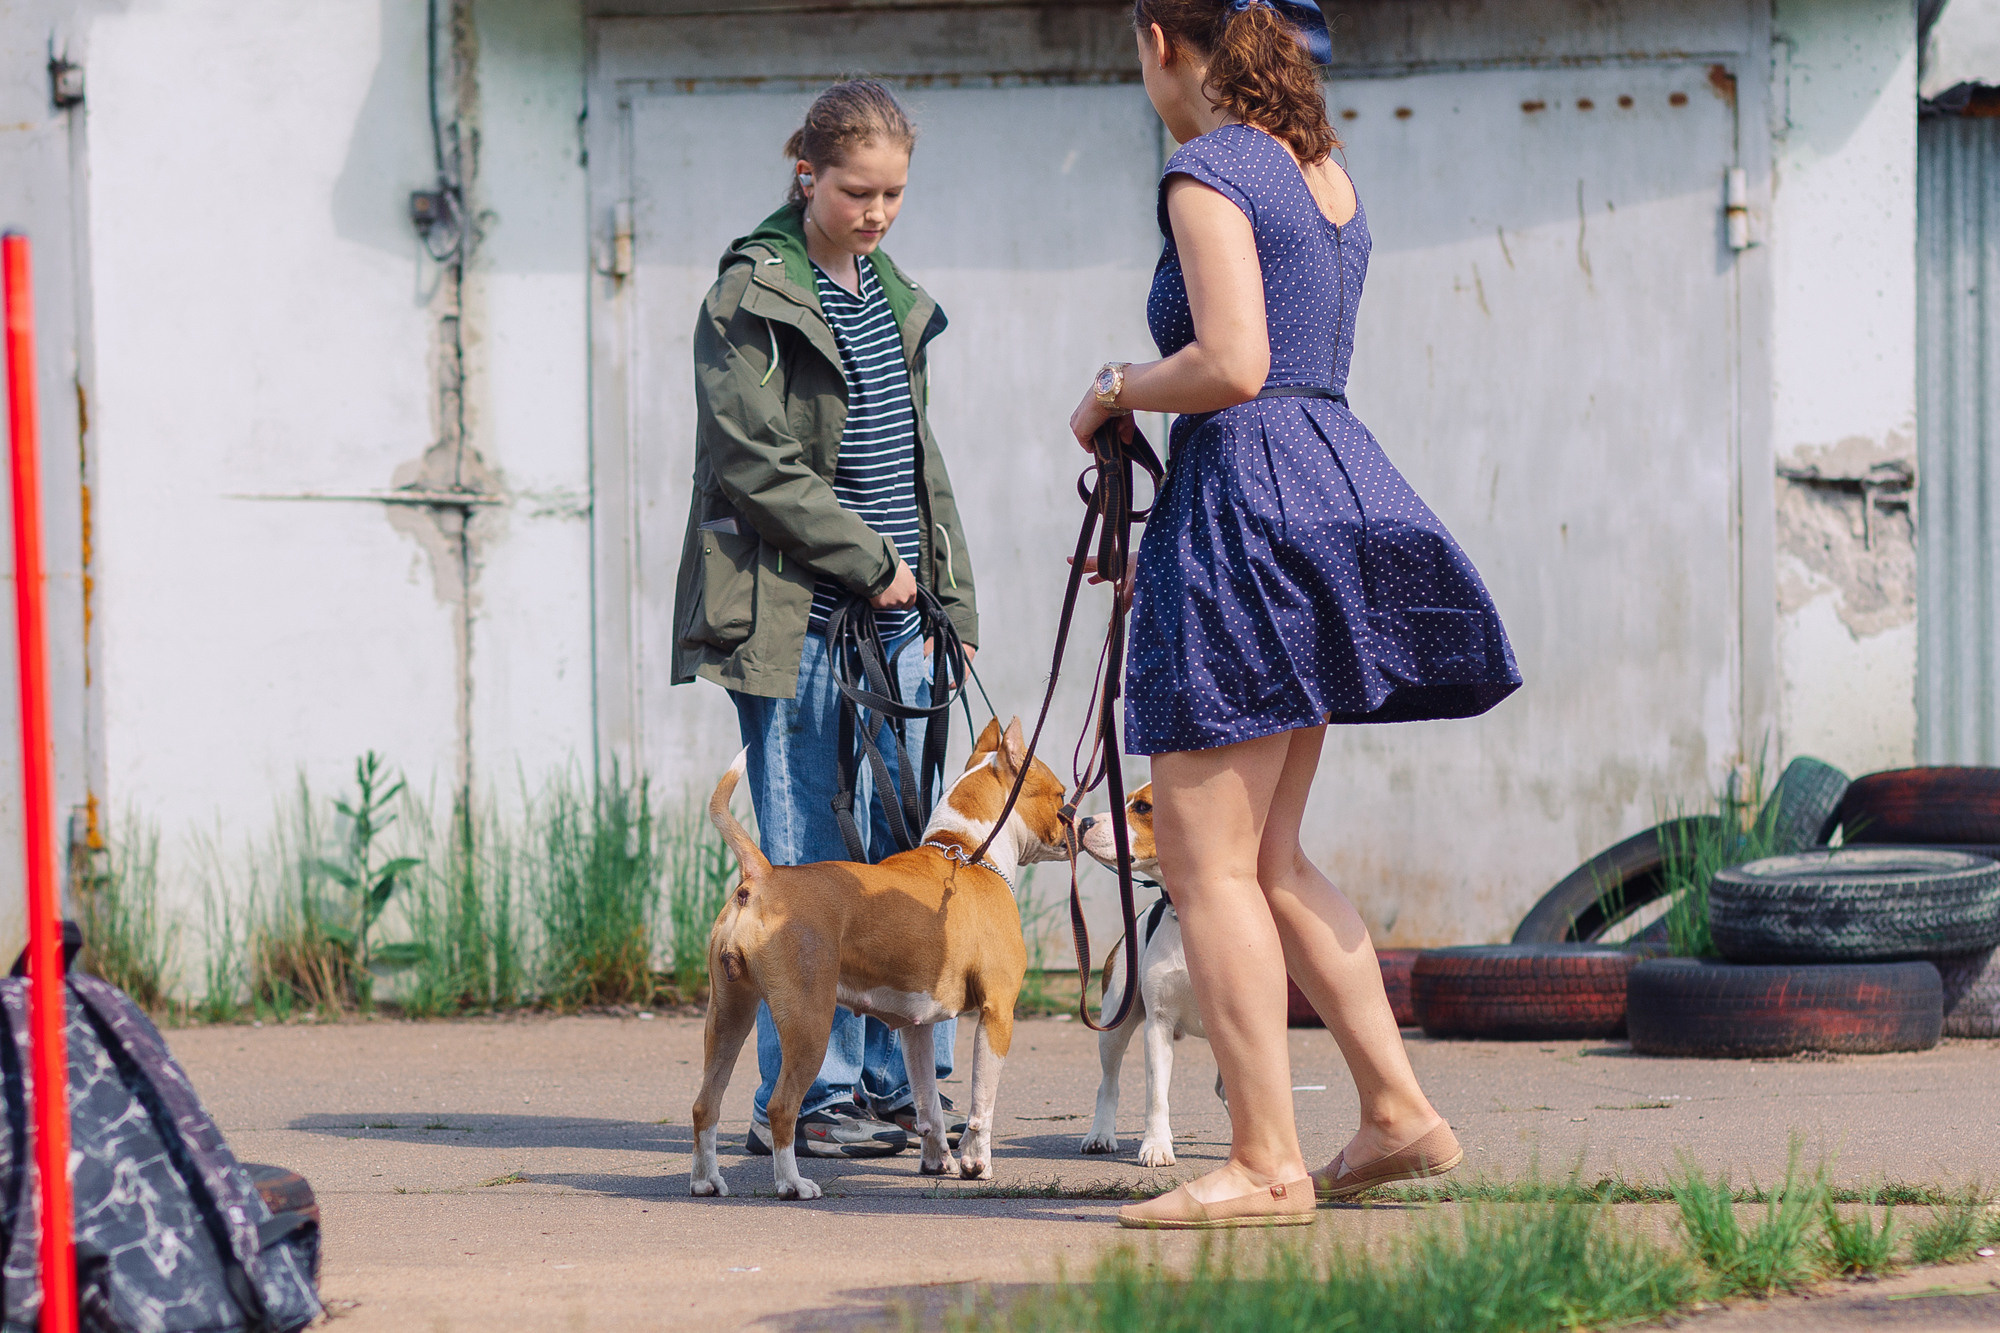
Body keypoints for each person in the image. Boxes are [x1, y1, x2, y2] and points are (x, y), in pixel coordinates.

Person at [1070, 0, 1522, 1228]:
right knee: (1270, 860)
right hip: (1331, 487)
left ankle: (1263, 1159)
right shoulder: (1323, 174)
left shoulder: (1204, 167)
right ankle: (1394, 1113)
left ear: (1160, 39)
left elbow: (1230, 362)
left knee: (1204, 863)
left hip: (1245, 506)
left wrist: (1111, 389)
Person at [672, 80, 980, 1161]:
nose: (879, 213)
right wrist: (870, 561)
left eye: (894, 193)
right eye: (858, 191)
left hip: (896, 617)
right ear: (806, 171)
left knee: (896, 858)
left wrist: (949, 597)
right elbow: (755, 465)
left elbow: (915, 460)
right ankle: (813, 1095)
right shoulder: (747, 296)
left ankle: (911, 1087)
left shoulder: (888, 293)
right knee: (805, 859)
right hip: (799, 619)